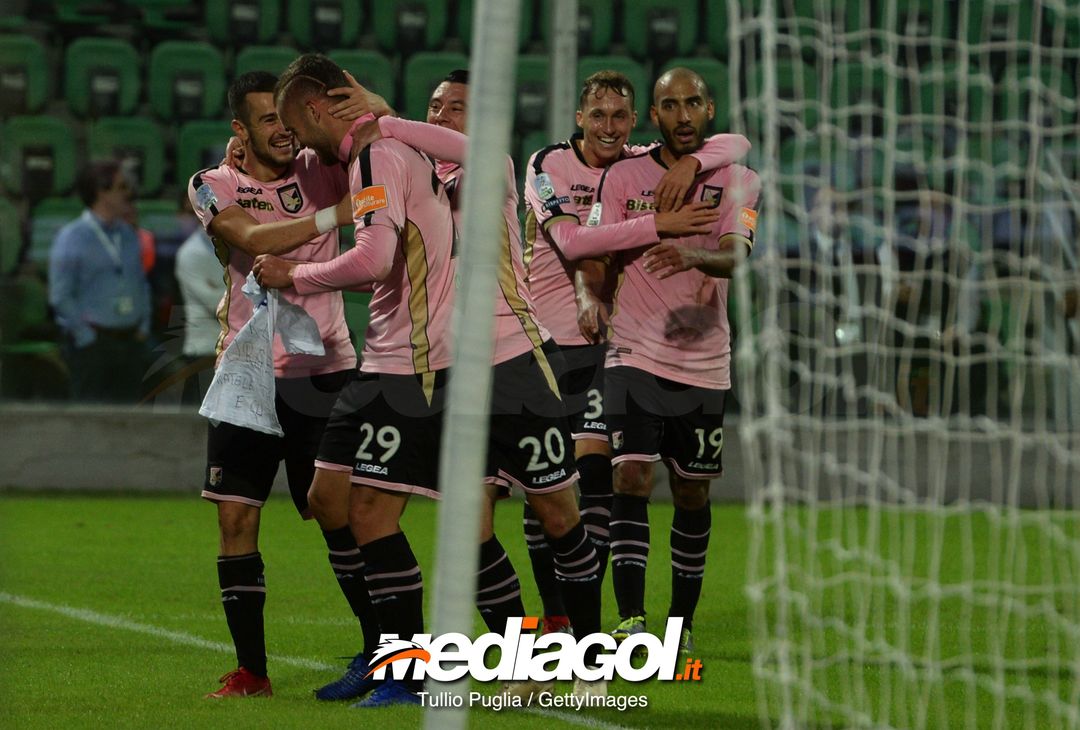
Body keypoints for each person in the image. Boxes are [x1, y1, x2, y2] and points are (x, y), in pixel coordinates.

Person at [252, 55, 459, 708]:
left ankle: (407, 671)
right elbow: (320, 184)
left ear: (315, 109)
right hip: (385, 356)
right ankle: (381, 656)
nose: (291, 137)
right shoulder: (378, 152)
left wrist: (295, 275)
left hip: (415, 359)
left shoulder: (380, 157)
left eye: (292, 121)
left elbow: (375, 259)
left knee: (370, 511)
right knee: (328, 496)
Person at [521, 70, 751, 626]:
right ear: (579, 118)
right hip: (551, 343)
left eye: (619, 117)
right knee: (547, 491)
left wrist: (693, 164)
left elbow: (734, 144)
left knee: (600, 483)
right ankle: (560, 616)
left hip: (614, 347)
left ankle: (595, 621)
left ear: (635, 122)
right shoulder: (547, 164)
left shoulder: (643, 162)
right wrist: (659, 225)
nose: (607, 127)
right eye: (597, 116)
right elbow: (575, 246)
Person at [188, 70, 378, 701]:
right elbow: (252, 240)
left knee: (339, 514)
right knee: (236, 522)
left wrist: (364, 104)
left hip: (324, 373)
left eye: (286, 118)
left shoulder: (320, 165)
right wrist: (340, 213)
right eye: (266, 119)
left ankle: (384, 658)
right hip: (247, 379)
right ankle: (252, 673)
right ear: (239, 129)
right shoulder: (214, 183)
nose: (281, 129)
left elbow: (386, 145)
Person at [584, 68, 760, 655]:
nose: (682, 115)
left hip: (704, 360)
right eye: (669, 105)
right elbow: (600, 248)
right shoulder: (623, 176)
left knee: (692, 493)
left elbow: (736, 258)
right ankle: (631, 620)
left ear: (710, 109)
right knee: (630, 474)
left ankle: (680, 629)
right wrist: (592, 296)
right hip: (634, 350)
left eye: (692, 103)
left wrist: (689, 252)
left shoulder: (740, 181)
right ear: (653, 117)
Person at [48, 160, 151, 403]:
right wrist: (85, 337)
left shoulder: (128, 235)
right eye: (121, 187)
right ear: (101, 192)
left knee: (129, 421)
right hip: (94, 344)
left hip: (130, 341)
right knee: (90, 423)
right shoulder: (72, 237)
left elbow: (140, 282)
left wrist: (143, 325)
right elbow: (60, 295)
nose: (128, 194)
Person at [173, 225, 221, 404]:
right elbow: (218, 306)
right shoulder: (191, 253)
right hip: (205, 353)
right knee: (200, 425)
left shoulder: (238, 248)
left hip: (237, 352)